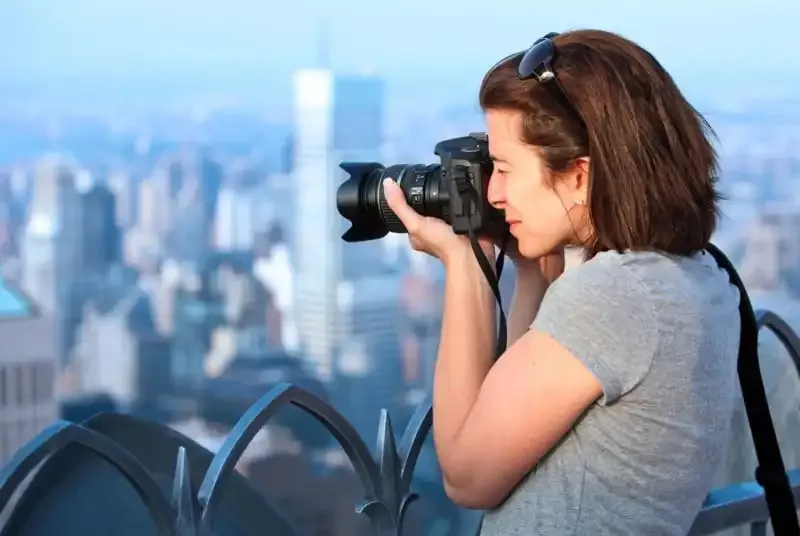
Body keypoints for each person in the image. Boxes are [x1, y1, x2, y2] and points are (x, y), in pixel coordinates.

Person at [383, 29, 740, 535]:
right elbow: (520, 407)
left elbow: (467, 478)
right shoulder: (692, 275)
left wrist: (465, 263)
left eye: (504, 168)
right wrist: (533, 272)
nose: (493, 192)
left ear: (578, 174)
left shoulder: (615, 296)